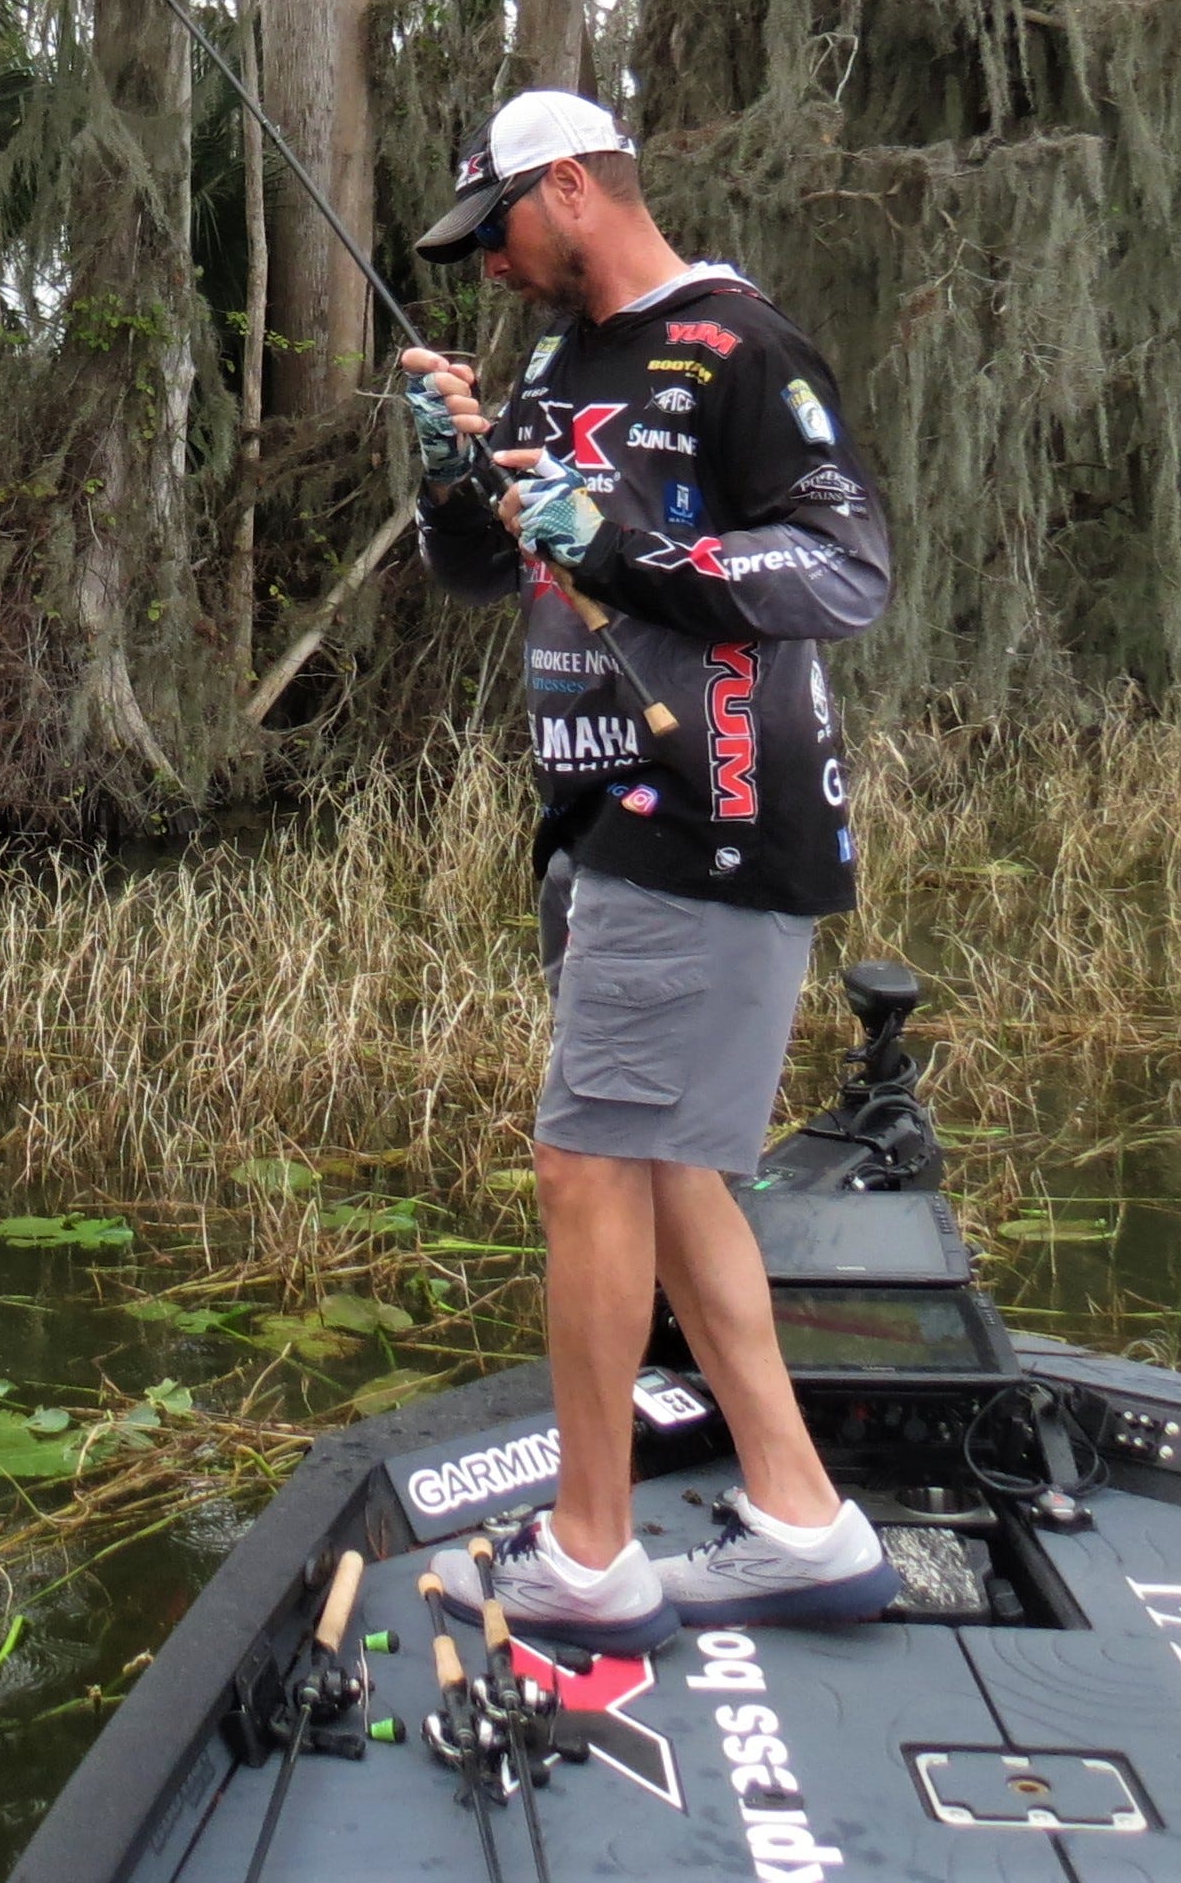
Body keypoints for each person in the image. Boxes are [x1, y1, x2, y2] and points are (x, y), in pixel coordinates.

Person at [403, 88, 901, 1652]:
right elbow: (491, 567)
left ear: (569, 189)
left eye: (496, 229)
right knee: (673, 1174)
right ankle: (802, 1522)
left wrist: (620, 546)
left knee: (589, 1169)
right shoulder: (559, 362)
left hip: (703, 809)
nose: (484, 264)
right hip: (591, 816)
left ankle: (588, 1558)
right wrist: (455, 471)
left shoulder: (737, 345)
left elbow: (844, 569)